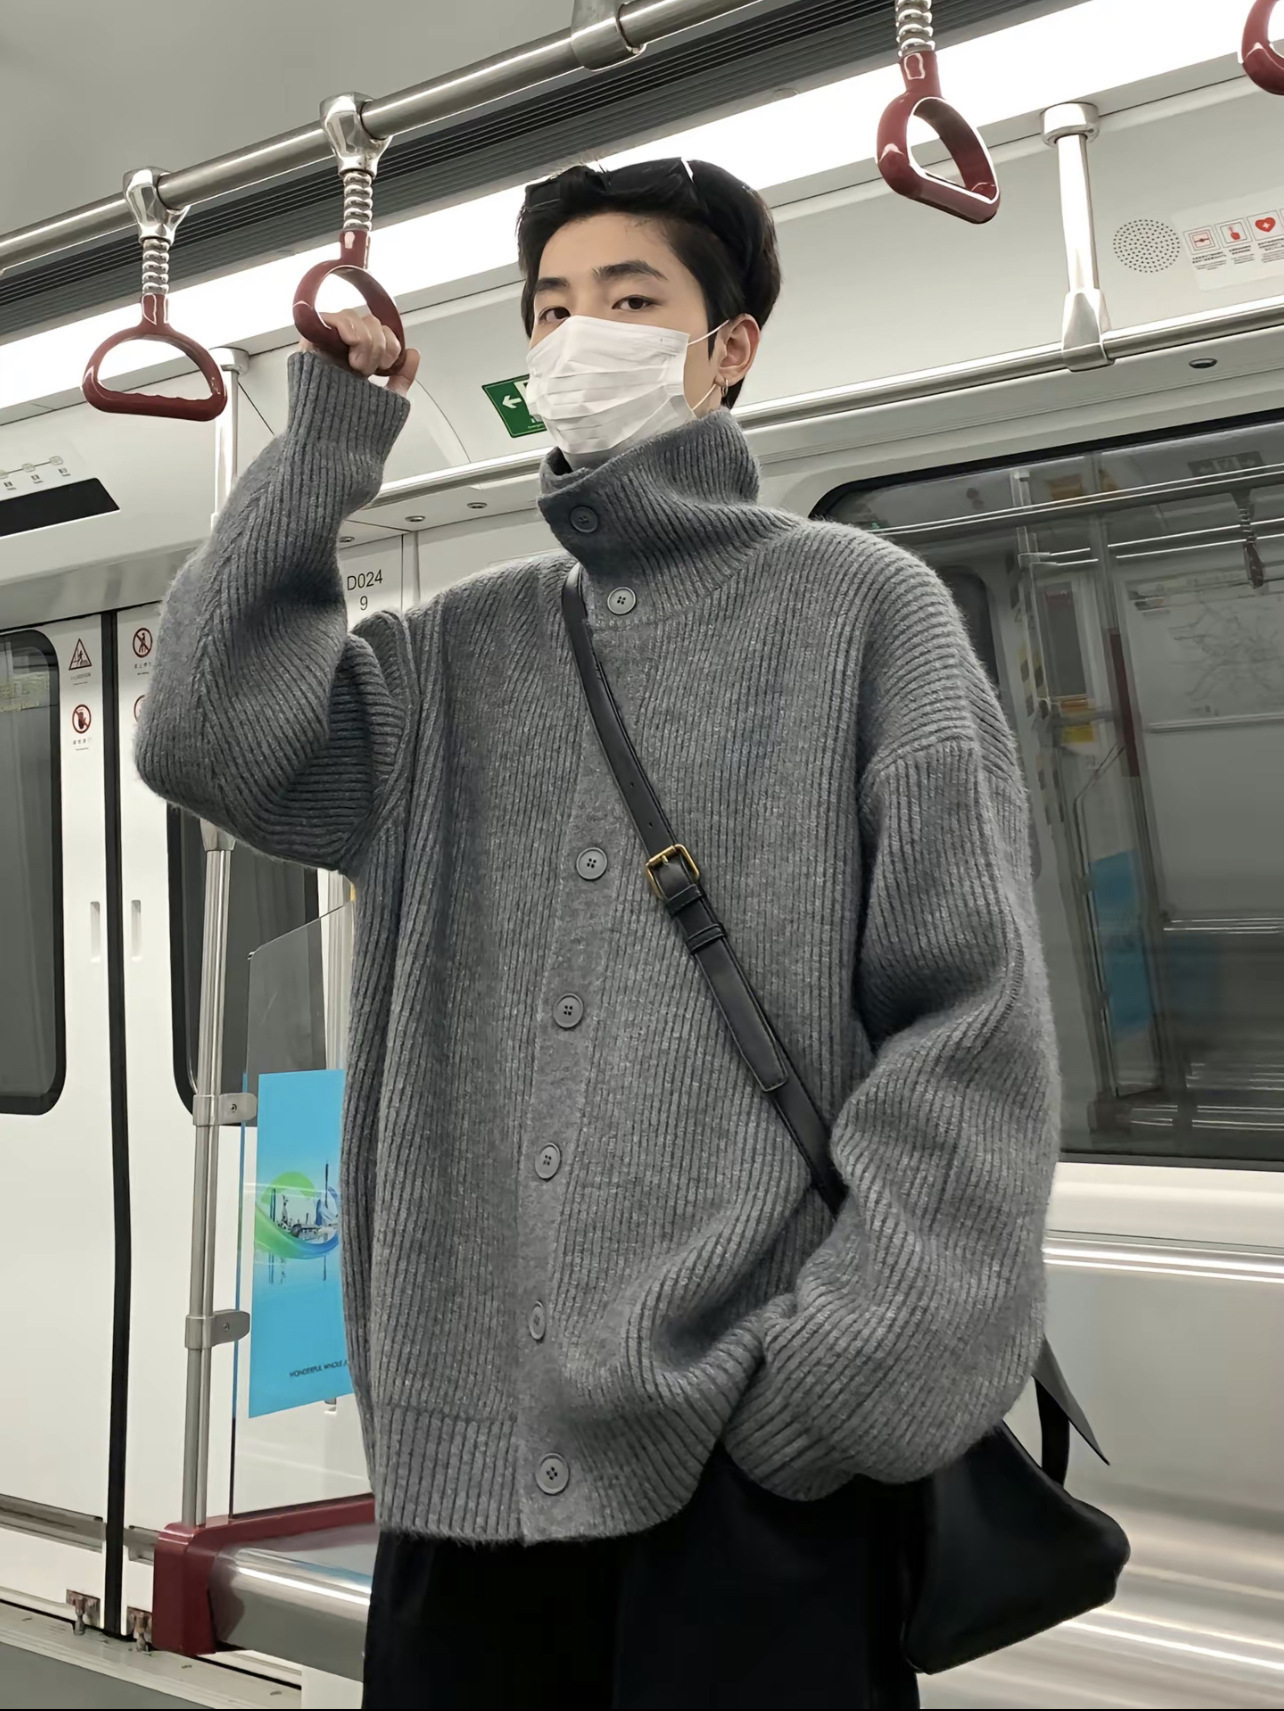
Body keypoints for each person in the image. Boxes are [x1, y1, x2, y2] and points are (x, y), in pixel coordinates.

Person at [136, 157, 1060, 1710]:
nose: (581, 337)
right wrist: (329, 442)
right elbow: (208, 737)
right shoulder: (459, 652)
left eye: (631, 300)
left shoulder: (865, 613)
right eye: (551, 309)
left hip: (753, 1466)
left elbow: (969, 1021)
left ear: (729, 346)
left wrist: (835, 1386)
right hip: (468, 1476)